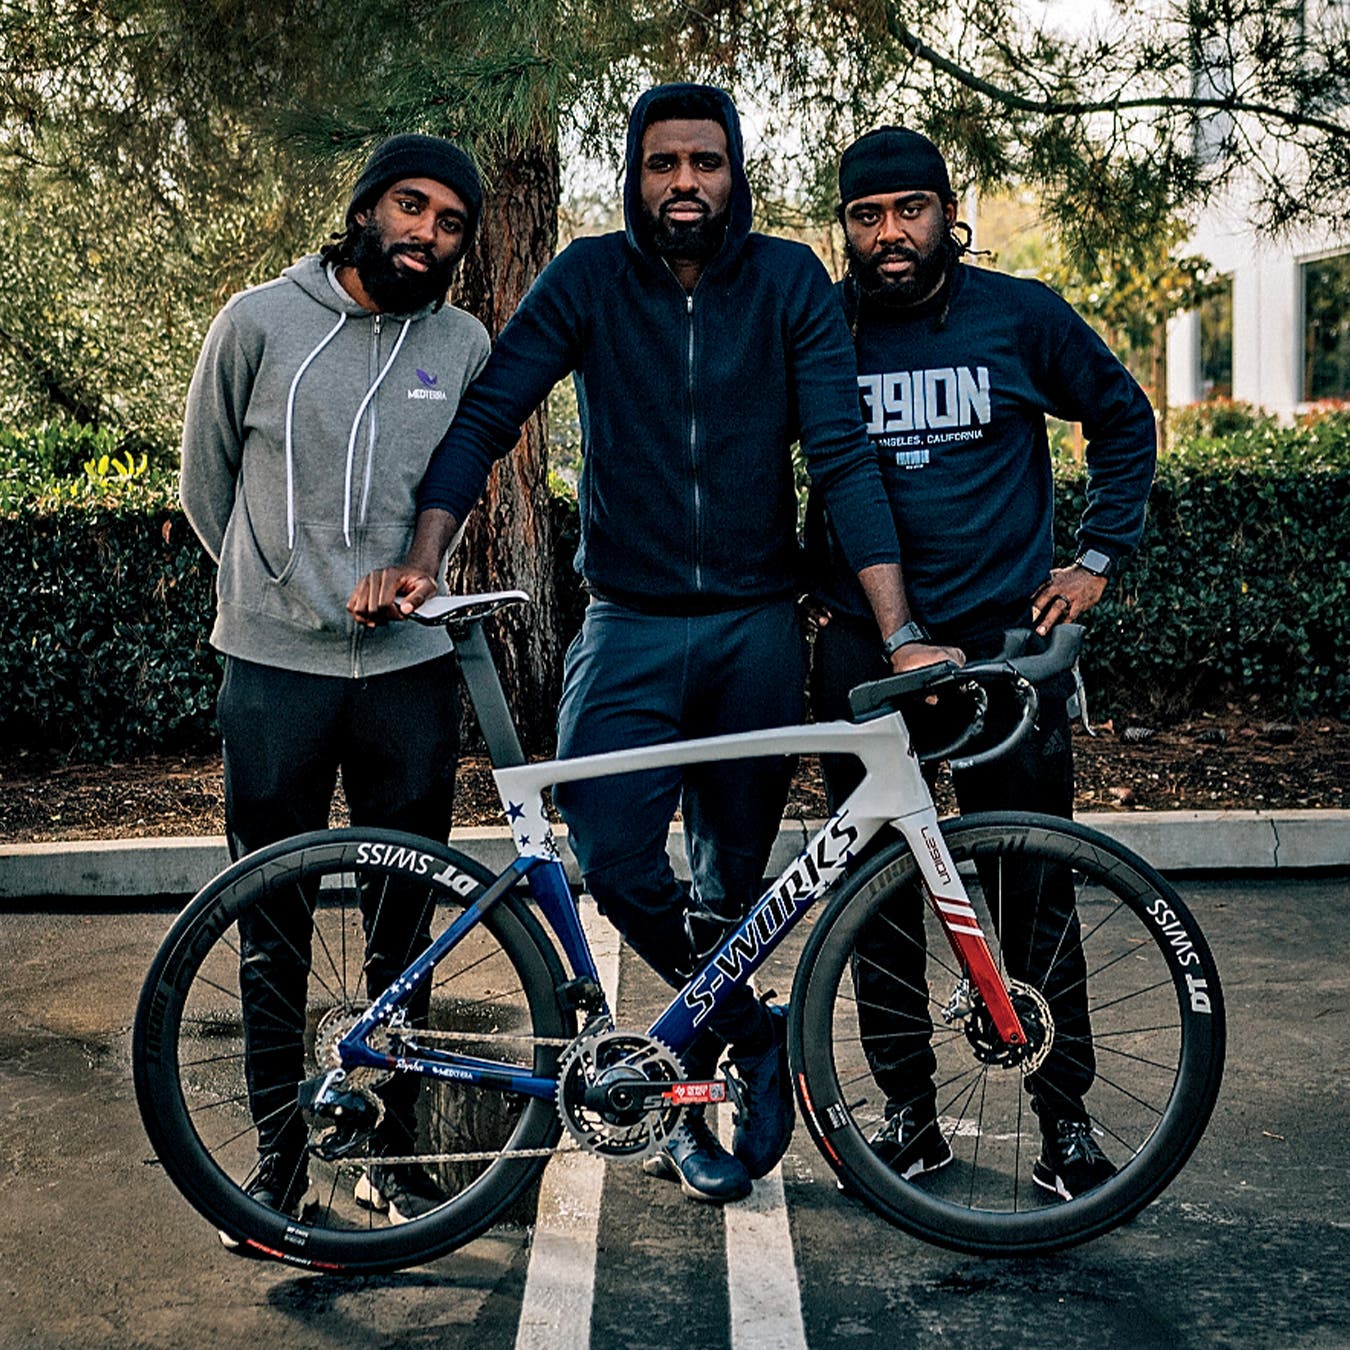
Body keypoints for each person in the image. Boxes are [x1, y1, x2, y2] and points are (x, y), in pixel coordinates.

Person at [348, 84, 947, 1204]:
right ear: (633, 173)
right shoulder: (586, 277)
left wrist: (900, 629)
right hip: (624, 624)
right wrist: (428, 553)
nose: (685, 183)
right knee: (613, 854)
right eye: (664, 163)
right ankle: (754, 1032)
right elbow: (488, 416)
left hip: (758, 629)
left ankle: (685, 1101)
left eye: (706, 163)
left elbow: (843, 457)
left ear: (735, 174)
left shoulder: (787, 286)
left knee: (732, 886)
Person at [805, 126, 1157, 1201]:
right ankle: (907, 1115)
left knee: (1032, 885)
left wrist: (1096, 559)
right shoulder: (823, 324)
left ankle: (1064, 1123)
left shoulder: (1021, 313)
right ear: (846, 228)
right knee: (877, 895)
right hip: (871, 650)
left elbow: (1123, 419)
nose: (889, 233)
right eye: (867, 216)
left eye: (909, 209)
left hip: (1006, 645)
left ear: (946, 210)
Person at [179, 133, 491, 1239]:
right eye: (411, 207)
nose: (426, 233)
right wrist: (278, 588)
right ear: (364, 208)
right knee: (273, 922)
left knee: (406, 928)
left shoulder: (459, 341)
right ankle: (270, 1164)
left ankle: (390, 1156)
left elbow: (456, 479)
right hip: (274, 674)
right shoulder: (257, 321)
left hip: (407, 673)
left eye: (450, 223)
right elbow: (205, 484)